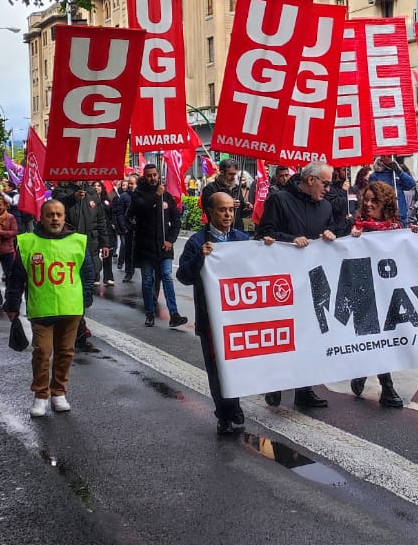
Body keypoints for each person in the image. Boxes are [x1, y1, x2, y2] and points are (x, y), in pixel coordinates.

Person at [258, 160, 348, 409]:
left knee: (309, 336)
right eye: (326, 183)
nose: (329, 189)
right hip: (283, 282)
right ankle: (274, 384)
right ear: (311, 180)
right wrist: (290, 240)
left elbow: (332, 232)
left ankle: (304, 389)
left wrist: (331, 235)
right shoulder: (280, 200)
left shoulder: (326, 207)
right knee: (283, 334)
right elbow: (265, 233)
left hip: (314, 281)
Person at [4, 199, 91, 416]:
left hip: (70, 308)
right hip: (41, 308)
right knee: (42, 352)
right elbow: (17, 277)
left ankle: (59, 392)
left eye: (58, 214)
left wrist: (86, 298)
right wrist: (12, 304)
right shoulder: (27, 243)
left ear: (64, 218)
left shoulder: (78, 241)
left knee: (65, 352)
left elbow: (87, 273)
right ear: (40, 218)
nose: (54, 218)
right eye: (50, 214)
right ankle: (40, 395)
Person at [177, 192, 251, 434]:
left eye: (231, 209)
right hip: (211, 317)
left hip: (238, 315)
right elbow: (183, 276)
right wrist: (201, 256)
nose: (228, 214)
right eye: (223, 210)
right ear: (210, 212)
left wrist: (267, 247)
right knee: (217, 368)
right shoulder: (197, 242)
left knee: (238, 365)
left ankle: (235, 405)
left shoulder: (242, 239)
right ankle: (224, 414)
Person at [346, 181, 418, 408]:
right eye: (365, 200)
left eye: (373, 201)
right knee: (375, 338)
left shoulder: (396, 227)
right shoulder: (355, 227)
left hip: (389, 291)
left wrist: (415, 235)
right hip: (364, 291)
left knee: (384, 340)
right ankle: (387, 386)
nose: (368, 204)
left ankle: (363, 371)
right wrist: (351, 239)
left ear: (384, 203)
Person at [55, 179, 114, 348]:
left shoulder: (92, 192)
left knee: (86, 284)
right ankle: (77, 326)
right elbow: (56, 205)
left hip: (90, 246)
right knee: (70, 289)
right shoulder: (62, 190)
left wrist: (105, 242)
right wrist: (73, 198)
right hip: (68, 248)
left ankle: (78, 322)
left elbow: (101, 219)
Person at [128, 164, 186, 328]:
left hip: (164, 246)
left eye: (155, 175)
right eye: (149, 176)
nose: (153, 178)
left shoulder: (166, 196)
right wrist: (155, 196)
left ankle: (174, 314)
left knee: (167, 276)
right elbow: (140, 210)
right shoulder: (139, 194)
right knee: (148, 280)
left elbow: (176, 220)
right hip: (145, 246)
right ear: (144, 177)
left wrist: (171, 239)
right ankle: (149, 313)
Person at [201, 158, 254, 231]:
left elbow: (240, 213)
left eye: (235, 174)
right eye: (230, 174)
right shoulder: (210, 189)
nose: (233, 177)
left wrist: (247, 209)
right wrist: (228, 204)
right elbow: (208, 211)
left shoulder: (236, 188)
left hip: (237, 230)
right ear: (222, 172)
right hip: (218, 230)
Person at [368, 155, 418, 226]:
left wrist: (400, 172)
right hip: (384, 217)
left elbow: (411, 185)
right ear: (382, 158)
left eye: (390, 156)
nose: (388, 158)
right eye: (386, 156)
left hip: (401, 216)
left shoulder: (397, 172)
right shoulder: (375, 176)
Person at [109, 177, 133, 284]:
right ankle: (125, 266)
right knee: (125, 245)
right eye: (129, 184)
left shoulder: (138, 196)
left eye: (133, 183)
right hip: (125, 228)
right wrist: (122, 225)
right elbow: (118, 212)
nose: (130, 186)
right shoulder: (122, 197)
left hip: (137, 229)